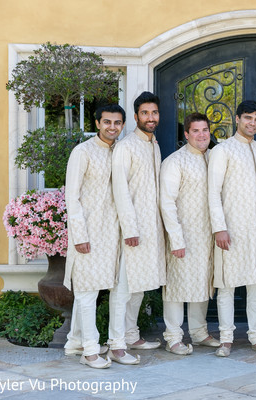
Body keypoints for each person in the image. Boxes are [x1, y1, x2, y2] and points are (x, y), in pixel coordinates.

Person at [208, 100, 256, 357]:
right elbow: (213, 192)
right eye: (248, 118)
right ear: (237, 119)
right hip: (231, 230)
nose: (252, 123)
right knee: (227, 285)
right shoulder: (223, 150)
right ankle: (226, 338)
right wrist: (219, 228)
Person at [63, 104, 126, 369]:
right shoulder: (83, 152)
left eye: (117, 123)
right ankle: (89, 351)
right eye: (108, 122)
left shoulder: (120, 152)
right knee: (87, 291)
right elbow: (71, 196)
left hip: (112, 234)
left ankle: (74, 341)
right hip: (87, 233)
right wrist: (79, 234)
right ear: (98, 123)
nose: (112, 127)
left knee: (98, 289)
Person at [110, 91, 167, 364]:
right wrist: (130, 229)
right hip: (131, 231)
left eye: (154, 113)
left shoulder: (153, 145)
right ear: (135, 117)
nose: (150, 117)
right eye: (145, 113)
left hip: (150, 229)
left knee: (140, 286)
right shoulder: (126, 147)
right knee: (124, 287)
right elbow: (120, 191)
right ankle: (116, 344)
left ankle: (131, 335)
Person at [159, 112, 220, 356]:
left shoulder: (214, 158)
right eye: (195, 131)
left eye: (205, 130)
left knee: (202, 282)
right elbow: (167, 202)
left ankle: (198, 331)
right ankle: (173, 337)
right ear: (186, 134)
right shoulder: (175, 161)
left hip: (207, 236)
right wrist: (176, 238)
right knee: (176, 285)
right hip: (182, 234)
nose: (201, 135)